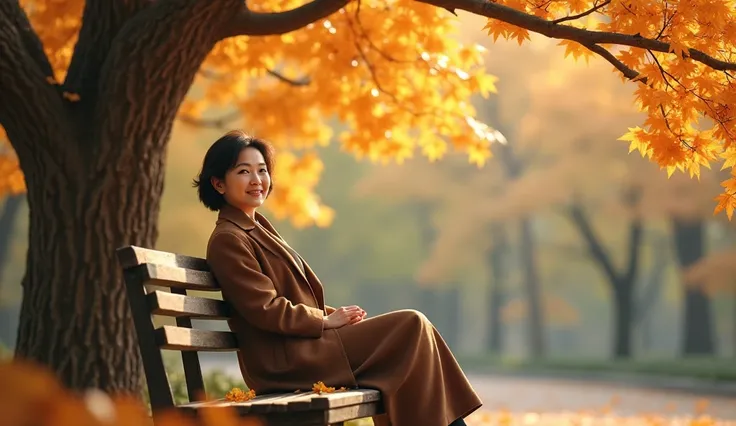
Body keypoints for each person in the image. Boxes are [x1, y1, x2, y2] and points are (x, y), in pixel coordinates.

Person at [193, 130, 482, 426]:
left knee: (414, 339)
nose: (257, 180)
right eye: (244, 172)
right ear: (218, 183)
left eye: (262, 170)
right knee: (412, 325)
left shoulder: (254, 228)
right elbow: (264, 308)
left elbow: (289, 301)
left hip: (306, 345)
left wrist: (332, 316)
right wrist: (324, 320)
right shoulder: (229, 239)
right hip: (286, 361)